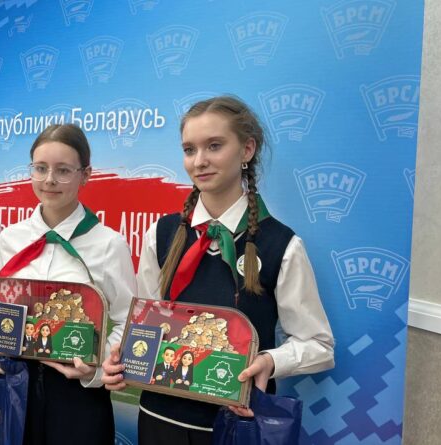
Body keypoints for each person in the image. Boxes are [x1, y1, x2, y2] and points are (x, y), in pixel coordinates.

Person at [101, 96, 334, 445]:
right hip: (159, 420)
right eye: (189, 149)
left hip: (236, 426)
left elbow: (318, 345)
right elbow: (144, 324)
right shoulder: (161, 234)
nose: (199, 161)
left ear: (247, 150)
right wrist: (120, 361)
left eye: (214, 146)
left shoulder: (281, 244)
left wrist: (270, 361)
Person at [0, 123, 136, 445]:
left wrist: (96, 367)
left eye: (63, 170)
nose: (49, 180)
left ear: (85, 175)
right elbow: (4, 311)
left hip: (77, 398)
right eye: (40, 168)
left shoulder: (108, 244)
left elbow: (128, 323)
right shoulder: (11, 238)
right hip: (14, 387)